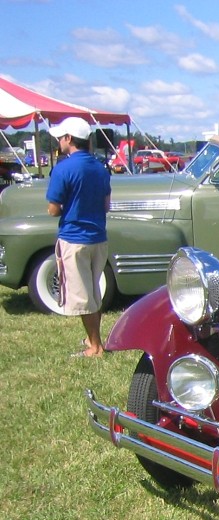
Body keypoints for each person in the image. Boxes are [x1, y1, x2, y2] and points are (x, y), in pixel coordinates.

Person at [45, 116, 111, 357]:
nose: (60, 142)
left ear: (69, 139)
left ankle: (95, 346)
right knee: (93, 291)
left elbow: (53, 209)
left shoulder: (63, 168)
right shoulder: (100, 168)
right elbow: (105, 205)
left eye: (61, 137)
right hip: (98, 237)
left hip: (74, 238)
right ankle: (93, 339)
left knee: (83, 296)